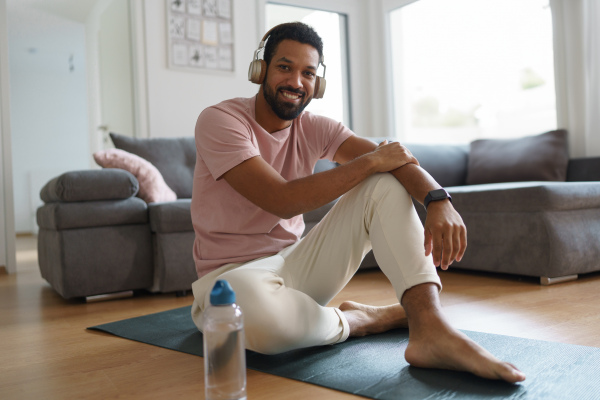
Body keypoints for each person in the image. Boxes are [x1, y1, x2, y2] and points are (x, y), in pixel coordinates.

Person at [190, 22, 525, 383]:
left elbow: (394, 159)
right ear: (261, 70)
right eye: (285, 67)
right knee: (260, 317)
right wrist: (372, 161)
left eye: (308, 73)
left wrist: (438, 199)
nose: (296, 82)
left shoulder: (316, 126)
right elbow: (281, 200)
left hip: (295, 265)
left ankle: (430, 327)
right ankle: (361, 319)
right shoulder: (220, 120)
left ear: (317, 84)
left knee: (384, 182)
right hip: (228, 281)